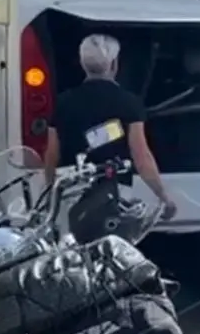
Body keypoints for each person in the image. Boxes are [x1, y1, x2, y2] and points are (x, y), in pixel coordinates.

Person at [43, 34, 177, 226]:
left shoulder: (63, 102)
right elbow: (141, 156)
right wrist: (163, 196)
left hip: (71, 193)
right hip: (114, 194)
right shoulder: (129, 103)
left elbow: (51, 155)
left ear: (83, 64)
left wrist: (50, 195)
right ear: (114, 64)